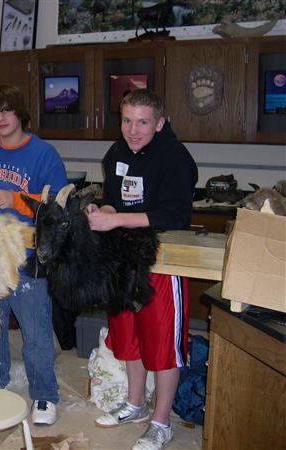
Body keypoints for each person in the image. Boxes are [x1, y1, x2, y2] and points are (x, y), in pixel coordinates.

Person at [87, 89, 197, 450]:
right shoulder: (116, 152)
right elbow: (112, 196)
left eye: (143, 122)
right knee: (127, 336)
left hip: (162, 260)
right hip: (123, 257)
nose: (133, 130)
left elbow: (174, 215)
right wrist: (103, 209)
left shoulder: (175, 158)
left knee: (162, 343)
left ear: (160, 122)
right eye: (127, 121)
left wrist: (118, 218)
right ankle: (135, 404)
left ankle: (161, 421)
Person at [0, 84, 68, 425]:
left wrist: (18, 199)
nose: (0, 118)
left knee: (35, 331)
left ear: (20, 113)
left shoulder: (43, 154)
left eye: (6, 110)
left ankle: (45, 396)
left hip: (27, 256)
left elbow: (57, 205)